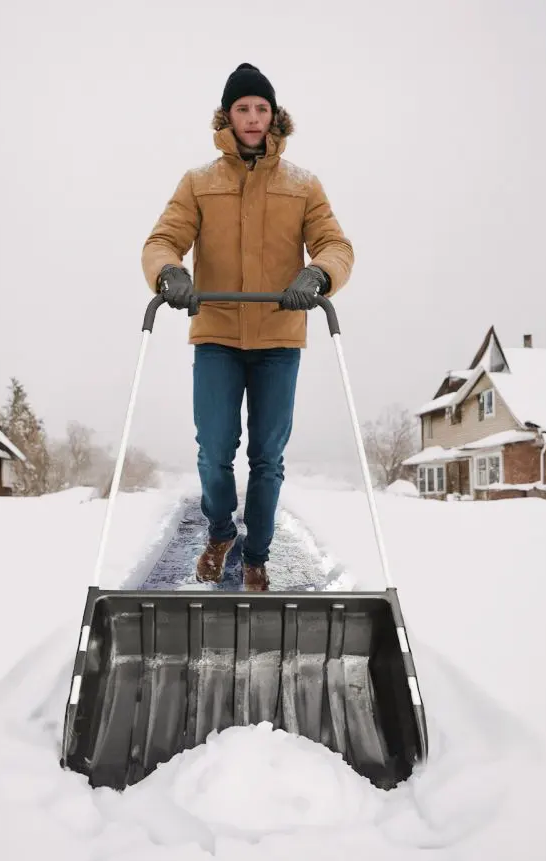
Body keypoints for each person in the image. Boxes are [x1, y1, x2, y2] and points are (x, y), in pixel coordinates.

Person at [142, 63, 354, 592]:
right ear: (228, 115)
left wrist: (318, 273)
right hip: (215, 333)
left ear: (274, 114)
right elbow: (162, 240)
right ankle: (219, 533)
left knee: (267, 456)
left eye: (262, 108)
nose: (253, 118)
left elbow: (336, 245)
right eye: (243, 108)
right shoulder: (198, 182)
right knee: (214, 449)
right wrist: (170, 272)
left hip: (279, 338)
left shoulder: (303, 186)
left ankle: (256, 554)